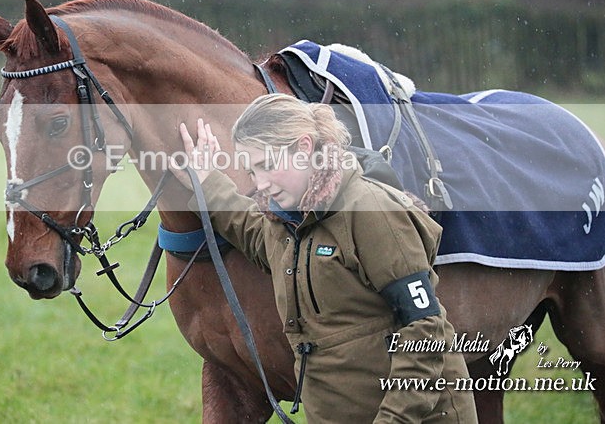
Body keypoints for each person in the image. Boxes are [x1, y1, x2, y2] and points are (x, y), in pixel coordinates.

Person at [172, 94, 477, 423]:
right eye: (252, 170)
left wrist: (393, 419)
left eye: (268, 165)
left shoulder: (370, 211)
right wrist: (207, 182)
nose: (260, 184)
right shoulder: (287, 222)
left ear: (304, 147)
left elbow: (425, 330)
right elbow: (253, 232)